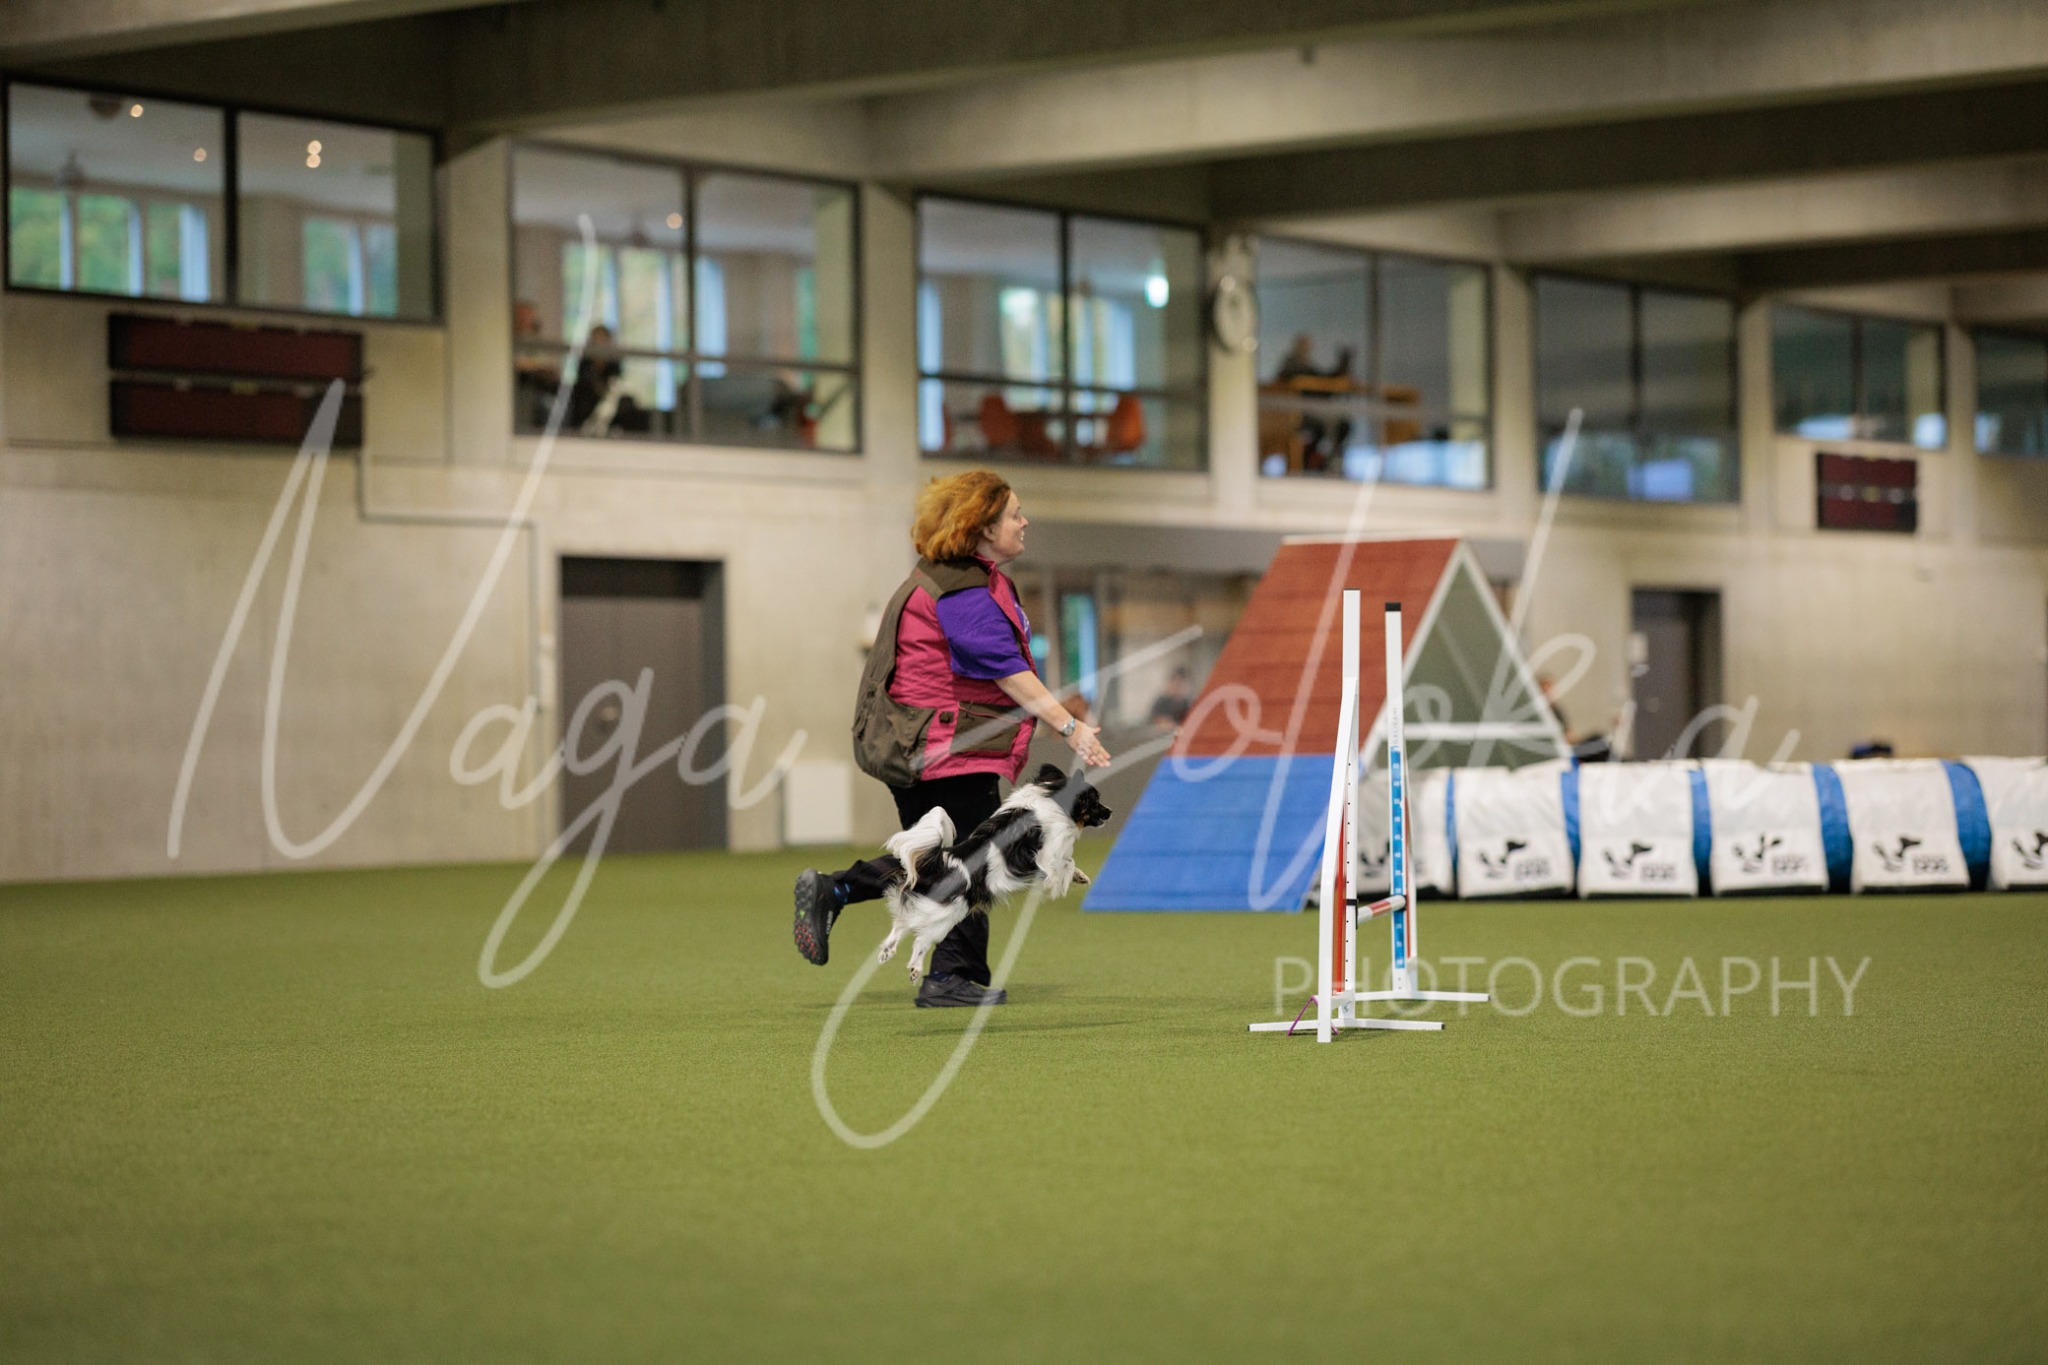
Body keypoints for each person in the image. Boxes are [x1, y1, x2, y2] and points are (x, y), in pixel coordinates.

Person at [791, 471, 1112, 1007]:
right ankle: (948, 975)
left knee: (941, 859)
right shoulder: (962, 590)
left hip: (931, 745)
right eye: (1014, 514)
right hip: (947, 750)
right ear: (983, 527)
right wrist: (1069, 726)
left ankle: (839, 891)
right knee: (975, 862)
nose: (1024, 522)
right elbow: (1006, 671)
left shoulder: (963, 579)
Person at [1273, 333, 1354, 471]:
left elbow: (1324, 382)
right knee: (1334, 425)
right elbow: (1318, 383)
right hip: (1295, 414)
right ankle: (1316, 461)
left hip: (1307, 413)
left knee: (1341, 425)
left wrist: (1343, 366)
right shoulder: (1292, 366)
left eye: (1308, 348)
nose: (1306, 351)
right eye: (1304, 347)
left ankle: (1318, 460)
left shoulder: (1305, 366)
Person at [1148, 666, 1192, 732]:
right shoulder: (1161, 701)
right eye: (1176, 683)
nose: (1177, 687)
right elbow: (1159, 721)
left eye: (1181, 684)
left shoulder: (1186, 703)